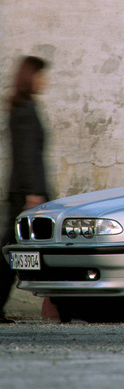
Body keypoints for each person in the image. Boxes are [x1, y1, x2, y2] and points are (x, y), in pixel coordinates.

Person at [1, 56, 50, 323]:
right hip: (27, 195)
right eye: (40, 75)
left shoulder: (24, 106)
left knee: (13, 252)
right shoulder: (24, 109)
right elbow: (26, 155)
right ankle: (60, 308)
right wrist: (33, 193)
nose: (44, 81)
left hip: (28, 192)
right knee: (11, 254)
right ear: (29, 77)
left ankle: (59, 307)